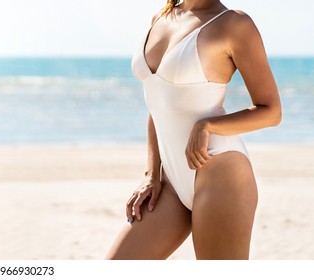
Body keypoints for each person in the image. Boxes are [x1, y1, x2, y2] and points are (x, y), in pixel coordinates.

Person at [106, 0, 281, 259]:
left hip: (220, 173)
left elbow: (271, 111)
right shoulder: (161, 17)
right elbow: (159, 104)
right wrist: (152, 174)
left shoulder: (234, 24)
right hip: (170, 182)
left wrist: (207, 125)